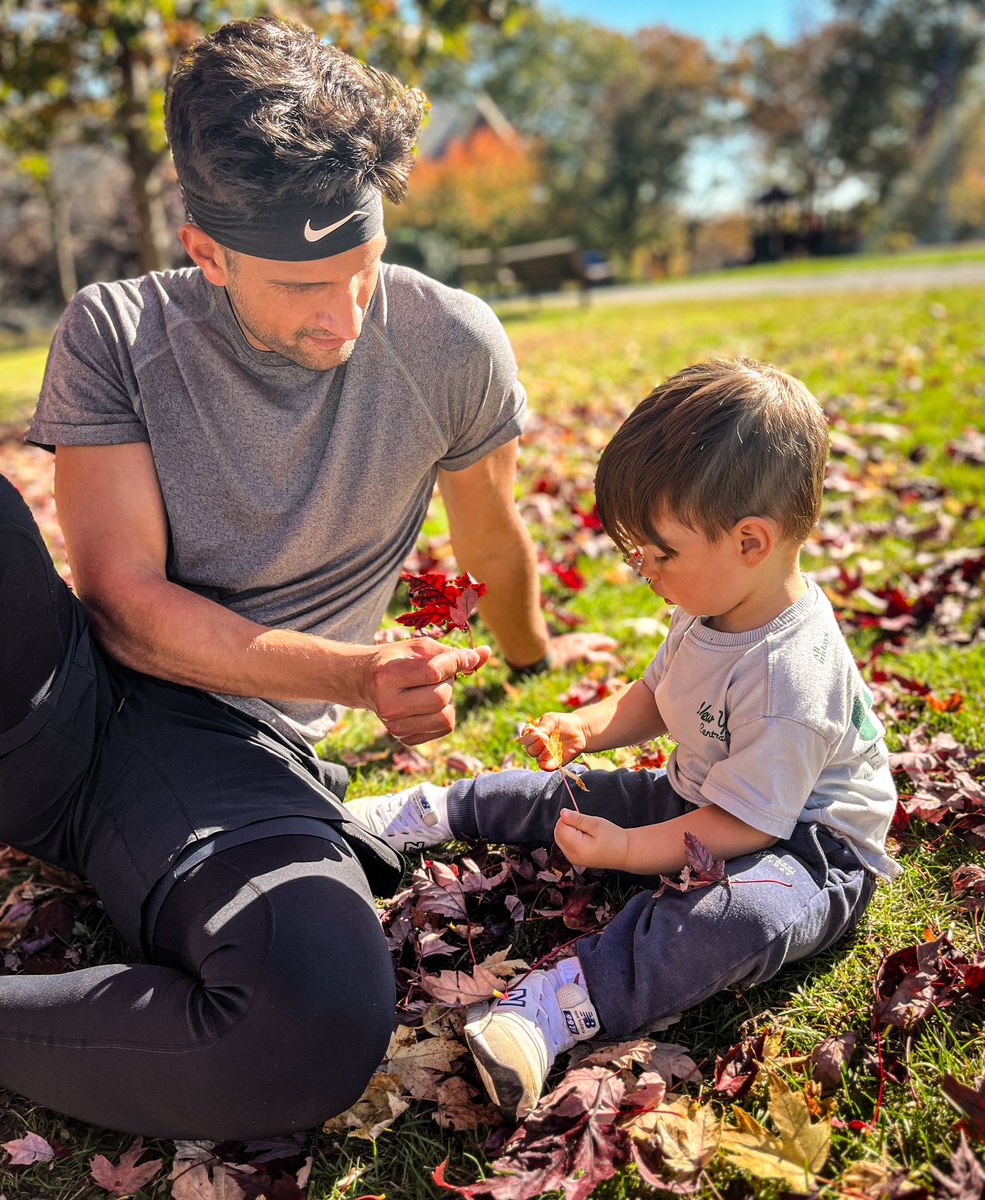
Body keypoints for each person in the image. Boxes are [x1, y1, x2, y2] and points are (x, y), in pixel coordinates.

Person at [0, 16, 611, 1138]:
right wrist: (352, 674)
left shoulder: (451, 345)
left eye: (362, 268)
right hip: (72, 709)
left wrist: (532, 658)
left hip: (236, 760)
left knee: (312, 1019)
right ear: (210, 253)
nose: (341, 315)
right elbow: (124, 606)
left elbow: (490, 541)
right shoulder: (116, 330)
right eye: (300, 284)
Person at [349, 357, 900, 1121]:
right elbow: (655, 696)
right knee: (571, 799)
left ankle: (551, 1009)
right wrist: (586, 728)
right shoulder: (712, 602)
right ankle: (428, 810)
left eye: (659, 553)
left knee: (738, 920)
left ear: (750, 541)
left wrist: (628, 851)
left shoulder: (790, 686)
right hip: (706, 793)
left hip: (807, 846)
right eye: (635, 551)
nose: (642, 569)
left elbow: (745, 826)